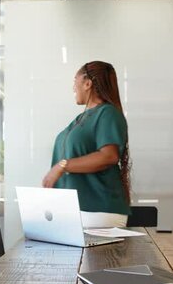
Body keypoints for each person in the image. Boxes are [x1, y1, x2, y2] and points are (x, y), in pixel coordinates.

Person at [42, 61, 132, 228]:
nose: (73, 87)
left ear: (87, 83)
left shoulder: (107, 113)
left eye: (74, 80)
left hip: (96, 211)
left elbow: (109, 156)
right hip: (73, 210)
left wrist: (63, 165)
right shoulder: (80, 119)